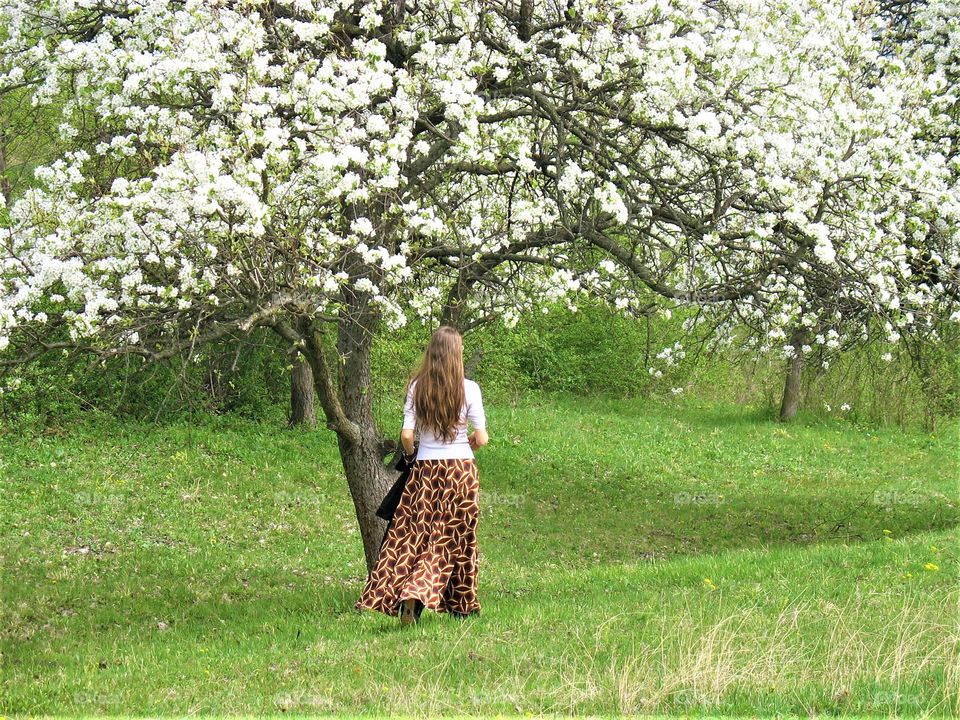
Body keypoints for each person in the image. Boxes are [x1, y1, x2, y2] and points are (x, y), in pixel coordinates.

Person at [354, 325, 489, 625]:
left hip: (425, 472)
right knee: (455, 539)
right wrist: (464, 447)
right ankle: (452, 599)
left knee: (414, 538)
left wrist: (412, 455)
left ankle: (417, 600)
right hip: (461, 473)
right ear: (456, 355)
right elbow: (481, 438)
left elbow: (406, 434)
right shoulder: (470, 389)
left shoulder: (418, 387)